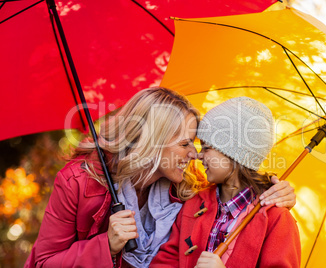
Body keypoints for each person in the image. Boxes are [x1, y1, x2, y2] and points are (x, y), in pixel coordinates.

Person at [25, 88, 296, 268]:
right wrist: (105, 245)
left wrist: (274, 188)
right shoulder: (79, 182)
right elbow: (43, 263)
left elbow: (237, 185)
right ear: (153, 142)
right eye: (186, 143)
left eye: (202, 146)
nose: (195, 155)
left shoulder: (187, 186)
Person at [151, 97, 301, 268]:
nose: (199, 155)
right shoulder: (194, 203)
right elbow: (167, 259)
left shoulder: (277, 220)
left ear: (233, 155)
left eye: (207, 148)